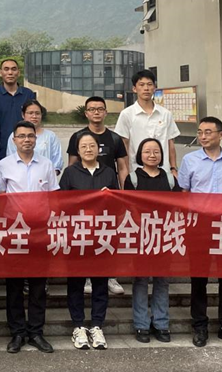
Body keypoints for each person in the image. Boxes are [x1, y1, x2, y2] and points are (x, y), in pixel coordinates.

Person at [178, 116, 222, 349]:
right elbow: (184, 195)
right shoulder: (189, 160)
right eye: (200, 132)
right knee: (198, 279)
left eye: (208, 132)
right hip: (199, 227)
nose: (203, 136)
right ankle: (199, 326)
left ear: (221, 134)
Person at [0, 120, 59, 354]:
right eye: (21, 136)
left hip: (40, 232)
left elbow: (54, 198)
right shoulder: (4, 165)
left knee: (38, 286)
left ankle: (36, 332)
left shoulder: (46, 164)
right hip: (14, 232)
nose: (26, 140)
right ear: (14, 140)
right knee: (13, 286)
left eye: (30, 136)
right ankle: (17, 333)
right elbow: (0, 198)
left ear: (36, 139)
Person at [59, 132, 118, 351]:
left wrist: (109, 196)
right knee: (75, 282)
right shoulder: (70, 173)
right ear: (78, 150)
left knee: (100, 283)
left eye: (92, 145)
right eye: (83, 146)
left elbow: (118, 203)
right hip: (77, 236)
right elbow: (61, 203)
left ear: (98, 149)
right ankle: (78, 326)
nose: (88, 149)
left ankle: (97, 325)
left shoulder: (109, 172)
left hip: (102, 236)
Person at [68, 96, 130, 296]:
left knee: (108, 236)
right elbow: (72, 166)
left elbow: (122, 167)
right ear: (86, 113)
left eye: (100, 109)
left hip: (107, 197)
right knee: (85, 237)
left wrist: (123, 193)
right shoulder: (77, 136)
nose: (96, 112)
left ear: (105, 112)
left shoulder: (115, 138)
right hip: (83, 200)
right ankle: (87, 276)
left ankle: (110, 276)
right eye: (92, 109)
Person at [123, 138, 181, 344]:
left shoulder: (170, 179)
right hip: (141, 237)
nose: (152, 155)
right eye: (147, 151)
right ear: (140, 155)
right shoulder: (132, 179)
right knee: (140, 281)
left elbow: (178, 206)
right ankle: (141, 324)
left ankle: (161, 323)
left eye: (156, 151)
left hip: (164, 236)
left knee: (162, 281)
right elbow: (128, 208)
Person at [114, 70, 180, 175]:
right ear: (134, 89)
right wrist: (125, 173)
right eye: (141, 85)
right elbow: (124, 146)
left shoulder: (165, 114)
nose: (146, 88)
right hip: (136, 171)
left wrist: (173, 168)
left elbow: (170, 143)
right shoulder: (127, 114)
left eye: (149, 84)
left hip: (163, 171)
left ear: (155, 88)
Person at [0, 58, 36, 161]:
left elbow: (34, 121)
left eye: (13, 69)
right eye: (6, 69)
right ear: (0, 73)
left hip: (24, 147)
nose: (10, 72)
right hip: (0, 149)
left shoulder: (28, 94)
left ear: (18, 73)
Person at [6, 100, 63, 174]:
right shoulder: (15, 135)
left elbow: (57, 163)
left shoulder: (51, 136)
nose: (34, 116)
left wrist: (48, 176)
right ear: (23, 115)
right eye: (30, 113)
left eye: (37, 113)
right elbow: (10, 160)